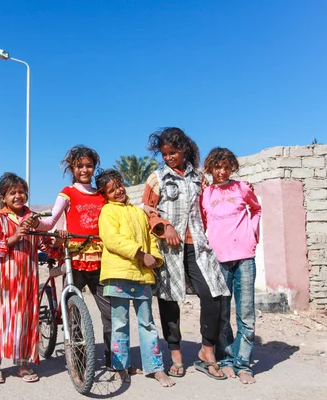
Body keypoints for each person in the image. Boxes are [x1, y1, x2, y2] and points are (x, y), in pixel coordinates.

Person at [140, 127, 230, 380]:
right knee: (169, 299)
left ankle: (207, 350)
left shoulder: (199, 179)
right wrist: (164, 225)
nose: (168, 157)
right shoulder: (157, 178)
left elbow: (210, 205)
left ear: (185, 150)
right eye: (164, 154)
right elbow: (146, 209)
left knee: (212, 293)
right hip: (168, 247)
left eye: (173, 152)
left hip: (197, 244)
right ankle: (176, 352)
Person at [34, 145, 114, 370]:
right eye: (80, 166)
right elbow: (50, 221)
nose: (84, 169)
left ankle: (112, 361)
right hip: (74, 260)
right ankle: (79, 360)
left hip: (99, 260)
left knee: (109, 313)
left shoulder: (101, 195)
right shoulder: (67, 192)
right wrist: (35, 223)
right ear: (72, 168)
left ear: (94, 167)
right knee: (74, 313)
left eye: (89, 165)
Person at [96, 169, 175, 387]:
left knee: (147, 323)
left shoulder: (139, 213)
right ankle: (120, 367)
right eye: (111, 190)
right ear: (105, 195)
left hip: (142, 276)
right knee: (120, 323)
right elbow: (112, 239)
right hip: (118, 275)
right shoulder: (107, 212)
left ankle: (155, 367)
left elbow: (151, 240)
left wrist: (155, 259)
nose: (118, 191)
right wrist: (140, 255)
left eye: (119, 185)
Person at [0, 172, 62, 384]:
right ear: (3, 197)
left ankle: (23, 363)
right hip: (3, 282)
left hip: (27, 282)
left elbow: (44, 245)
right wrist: (15, 236)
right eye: (12, 193)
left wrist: (57, 241)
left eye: (21, 192)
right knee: (0, 321)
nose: (18, 196)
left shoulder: (34, 218)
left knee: (24, 322)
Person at [201, 147, 261, 384]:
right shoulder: (206, 194)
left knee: (246, 313)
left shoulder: (242, 188)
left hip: (245, 257)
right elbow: (205, 222)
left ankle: (243, 364)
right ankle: (226, 360)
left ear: (232, 168)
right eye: (218, 167)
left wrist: (253, 235)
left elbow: (256, 210)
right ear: (210, 168)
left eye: (227, 167)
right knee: (222, 315)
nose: (222, 172)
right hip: (219, 259)